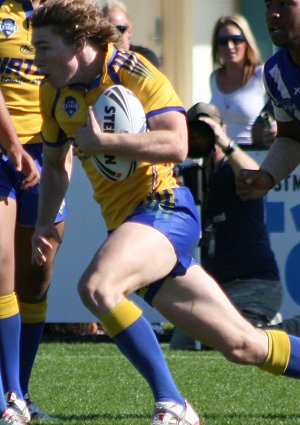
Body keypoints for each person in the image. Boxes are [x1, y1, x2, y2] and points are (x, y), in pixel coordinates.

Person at [30, 1, 300, 424]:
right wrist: (45, 222)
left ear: (78, 43)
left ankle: (173, 403)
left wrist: (107, 144)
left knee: (98, 287)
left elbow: (177, 144)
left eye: (44, 48)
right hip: (131, 227)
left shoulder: (135, 72)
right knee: (243, 345)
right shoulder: (53, 91)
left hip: (166, 209)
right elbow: (53, 164)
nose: (36, 60)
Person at [0, 0, 68, 422]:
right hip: (3, 150)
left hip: (50, 152)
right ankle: (8, 397)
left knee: (37, 277)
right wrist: (12, 147)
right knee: (2, 267)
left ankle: (21, 393)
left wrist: (64, 154)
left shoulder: (69, 11)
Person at [170, 102, 283, 350]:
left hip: (252, 283)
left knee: (235, 345)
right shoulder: (190, 174)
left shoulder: (232, 168)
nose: (202, 136)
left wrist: (224, 141)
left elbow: (255, 177)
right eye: (194, 130)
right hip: (213, 289)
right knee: (182, 345)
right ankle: (262, 328)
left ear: (222, 127)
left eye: (207, 127)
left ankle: (282, 329)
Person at [236, 0, 300, 337]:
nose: (273, 13)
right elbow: (292, 137)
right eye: (267, 5)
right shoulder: (275, 72)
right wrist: (267, 175)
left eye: (284, 3)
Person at [210, 14, 268, 146]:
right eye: (223, 41)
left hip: (255, 155)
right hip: (223, 157)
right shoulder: (214, 78)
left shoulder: (261, 74)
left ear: (247, 42)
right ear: (216, 46)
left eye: (236, 40)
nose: (229, 46)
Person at [101, 0, 160, 67]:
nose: (113, 35)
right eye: (108, 31)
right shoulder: (99, 59)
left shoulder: (145, 58)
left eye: (118, 29)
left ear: (129, 31)